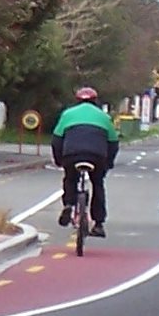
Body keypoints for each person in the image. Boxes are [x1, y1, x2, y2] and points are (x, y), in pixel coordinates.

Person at [51, 86, 120, 237]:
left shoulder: (68, 114)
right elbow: (113, 143)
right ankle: (99, 223)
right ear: (96, 101)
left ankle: (69, 204)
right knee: (97, 184)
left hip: (72, 154)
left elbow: (56, 140)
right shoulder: (104, 117)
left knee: (70, 179)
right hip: (97, 156)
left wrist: (59, 160)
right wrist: (109, 163)